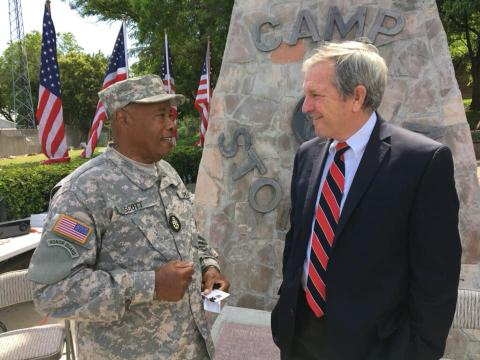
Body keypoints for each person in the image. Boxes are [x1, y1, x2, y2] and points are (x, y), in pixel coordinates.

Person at [271, 41, 461, 360]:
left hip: (376, 348)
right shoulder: (308, 155)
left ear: (357, 96)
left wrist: (417, 352)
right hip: (299, 339)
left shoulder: (423, 163)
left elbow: (436, 280)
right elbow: (298, 241)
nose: (305, 107)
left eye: (316, 95)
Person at [28, 74, 230, 360]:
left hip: (189, 349)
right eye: (160, 115)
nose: (172, 124)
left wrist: (208, 267)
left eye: (171, 114)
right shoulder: (84, 190)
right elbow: (51, 291)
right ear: (123, 119)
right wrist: (150, 285)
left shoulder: (167, 173)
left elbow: (186, 235)